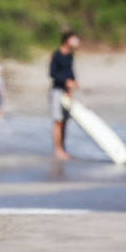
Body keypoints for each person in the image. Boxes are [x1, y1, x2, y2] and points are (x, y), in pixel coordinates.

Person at [49, 31, 80, 160]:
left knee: (65, 122)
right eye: (74, 39)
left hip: (67, 92)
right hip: (57, 91)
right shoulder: (57, 55)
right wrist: (66, 81)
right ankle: (58, 150)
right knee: (58, 121)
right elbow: (52, 73)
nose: (77, 41)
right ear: (67, 40)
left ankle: (63, 149)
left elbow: (70, 72)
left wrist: (73, 84)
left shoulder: (70, 56)